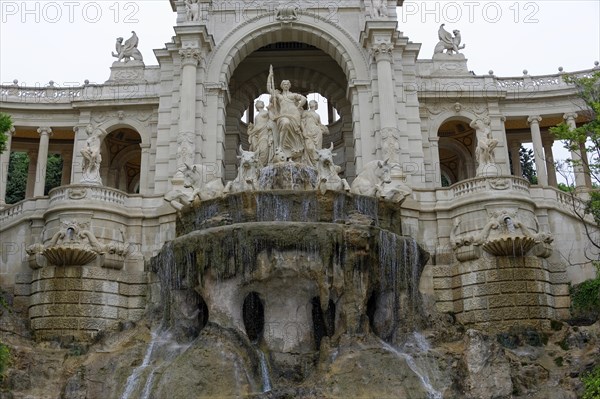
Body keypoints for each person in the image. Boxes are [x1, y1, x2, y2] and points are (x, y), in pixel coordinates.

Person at [267, 66, 307, 163]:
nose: (285, 85)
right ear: (281, 86)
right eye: (284, 84)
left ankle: (292, 152)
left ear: (289, 86)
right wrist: (269, 76)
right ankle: (280, 146)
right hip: (283, 116)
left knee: (294, 131)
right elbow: (269, 89)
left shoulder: (293, 95)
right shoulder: (279, 96)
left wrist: (297, 107)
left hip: (294, 115)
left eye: (287, 84)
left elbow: (304, 99)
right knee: (285, 123)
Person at [302, 100, 329, 164]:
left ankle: (316, 164)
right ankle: (309, 163)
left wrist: (325, 129)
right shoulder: (305, 112)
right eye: (309, 102)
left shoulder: (317, 115)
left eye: (311, 102)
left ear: (315, 104)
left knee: (317, 149)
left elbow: (320, 124)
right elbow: (302, 122)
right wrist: (303, 130)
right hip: (308, 131)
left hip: (317, 133)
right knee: (309, 148)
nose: (310, 103)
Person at [248, 100, 273, 167]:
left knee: (264, 151)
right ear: (256, 106)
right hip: (258, 136)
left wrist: (271, 106)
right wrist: (251, 131)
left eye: (262, 102)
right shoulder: (257, 116)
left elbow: (272, 114)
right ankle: (260, 167)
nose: (262, 102)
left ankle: (261, 167)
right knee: (259, 151)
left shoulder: (266, 112)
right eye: (259, 102)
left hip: (265, 135)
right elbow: (257, 127)